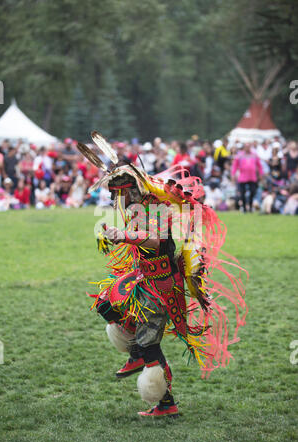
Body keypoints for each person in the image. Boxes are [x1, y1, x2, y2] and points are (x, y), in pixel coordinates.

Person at [78, 134, 248, 419]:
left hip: (162, 285)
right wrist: (112, 236)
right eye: (117, 194)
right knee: (106, 303)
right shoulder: (136, 206)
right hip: (143, 277)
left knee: (150, 345)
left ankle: (164, 401)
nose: (120, 198)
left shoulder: (154, 207)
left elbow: (155, 240)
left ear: (136, 189)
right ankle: (137, 354)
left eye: (124, 192)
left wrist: (125, 235)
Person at [231, 142, 263, 212]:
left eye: (249, 146)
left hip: (252, 177)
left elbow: (259, 165)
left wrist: (261, 174)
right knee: (242, 193)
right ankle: (244, 208)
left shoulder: (254, 155)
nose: (247, 148)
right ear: (244, 147)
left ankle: (251, 206)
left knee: (253, 191)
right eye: (246, 146)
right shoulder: (239, 155)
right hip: (242, 177)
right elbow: (234, 166)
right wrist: (233, 174)